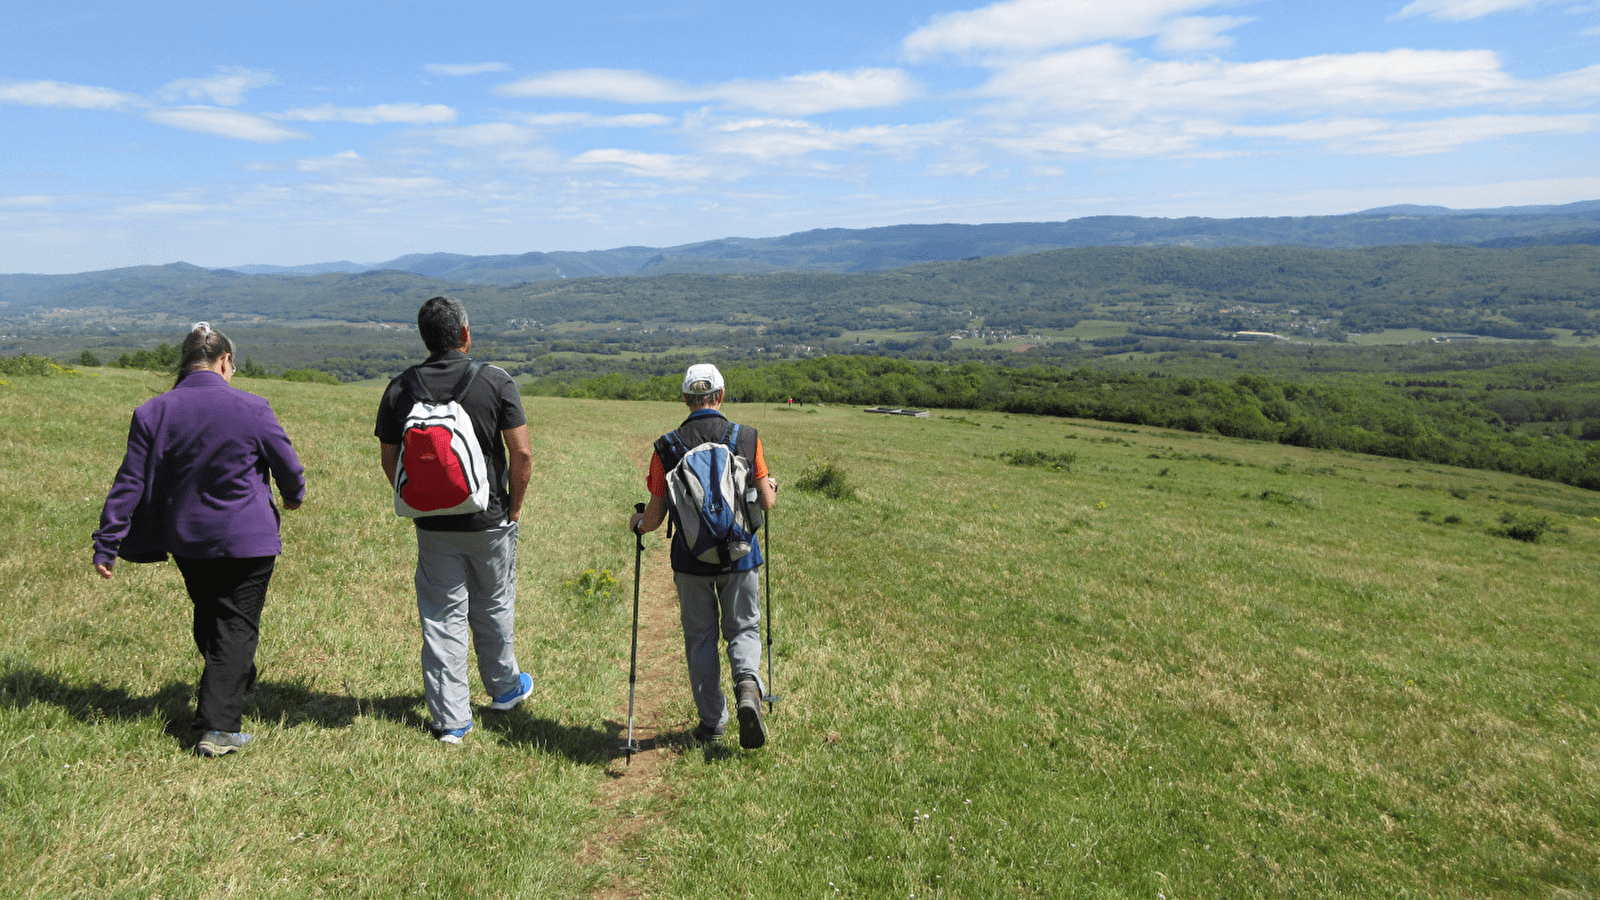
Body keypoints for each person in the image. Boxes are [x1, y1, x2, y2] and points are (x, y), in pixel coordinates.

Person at [92, 322, 306, 758]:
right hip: (249, 538)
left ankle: (232, 679)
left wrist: (107, 541)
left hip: (187, 539)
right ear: (225, 361)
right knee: (235, 626)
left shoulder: (153, 412)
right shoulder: (253, 407)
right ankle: (219, 728)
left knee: (211, 613)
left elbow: (129, 481)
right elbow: (287, 463)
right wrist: (294, 495)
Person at [375, 296, 535, 744]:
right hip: (490, 518)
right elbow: (521, 453)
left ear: (425, 338)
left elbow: (390, 458)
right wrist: (514, 507)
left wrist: (421, 501)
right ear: (465, 333)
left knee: (442, 616)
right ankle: (504, 689)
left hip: (433, 527)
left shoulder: (399, 387)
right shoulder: (495, 381)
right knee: (494, 603)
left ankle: (451, 721)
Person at [630, 364, 778, 749]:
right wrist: (772, 487)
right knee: (743, 629)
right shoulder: (747, 438)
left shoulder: (667, 447)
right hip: (741, 556)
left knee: (700, 638)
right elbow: (766, 501)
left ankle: (712, 723)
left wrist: (638, 524)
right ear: (721, 396)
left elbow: (655, 516)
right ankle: (748, 688)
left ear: (685, 399)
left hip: (691, 560)